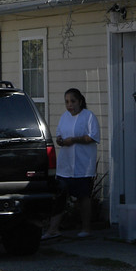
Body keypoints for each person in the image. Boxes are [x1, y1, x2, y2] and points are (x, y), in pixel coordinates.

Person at [43, 88, 100, 240]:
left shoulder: (88, 116)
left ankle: (86, 228)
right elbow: (59, 136)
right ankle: (53, 229)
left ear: (80, 101)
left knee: (83, 196)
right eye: (67, 102)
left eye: (73, 101)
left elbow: (93, 137)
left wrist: (74, 140)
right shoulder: (64, 117)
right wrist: (61, 141)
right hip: (66, 165)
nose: (70, 105)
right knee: (61, 195)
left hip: (83, 164)